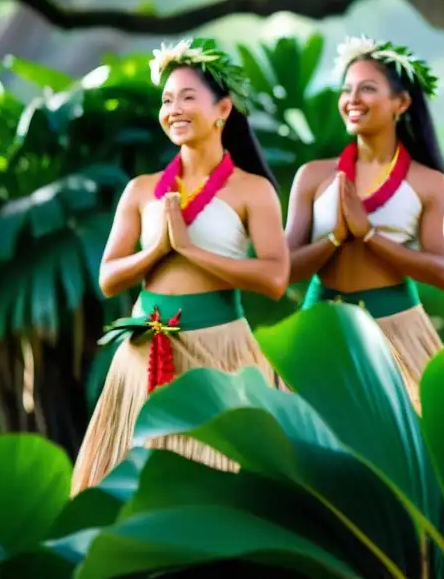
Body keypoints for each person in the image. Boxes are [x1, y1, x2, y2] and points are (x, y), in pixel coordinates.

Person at [72, 39, 290, 493]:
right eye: (167, 99)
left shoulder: (252, 191)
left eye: (188, 97)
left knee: (221, 484)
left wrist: (191, 251)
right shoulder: (141, 189)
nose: (174, 108)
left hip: (222, 351)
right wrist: (157, 253)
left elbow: (274, 277)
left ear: (222, 110)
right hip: (143, 352)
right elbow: (109, 278)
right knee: (130, 487)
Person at [285, 37, 444, 409]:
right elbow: (284, 269)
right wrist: (335, 239)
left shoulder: (427, 182)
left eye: (367, 88)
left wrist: (370, 236)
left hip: (398, 327)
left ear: (402, 103)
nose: (352, 99)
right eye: (347, 90)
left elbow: (443, 272)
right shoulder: (314, 176)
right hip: (320, 324)